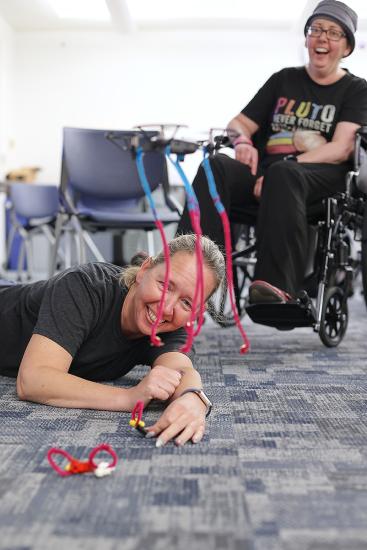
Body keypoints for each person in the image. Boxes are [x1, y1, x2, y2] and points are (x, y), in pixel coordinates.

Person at [176, 0, 367, 302]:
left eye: (333, 33)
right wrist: (242, 143)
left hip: (319, 182)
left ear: (346, 48)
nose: (322, 38)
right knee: (215, 166)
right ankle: (184, 268)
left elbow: (341, 148)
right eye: (316, 29)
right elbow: (238, 123)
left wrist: (289, 162)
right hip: (266, 178)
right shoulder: (283, 80)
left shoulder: (356, 89)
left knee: (283, 172)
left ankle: (275, 287)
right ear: (306, 39)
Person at [0, 234, 225, 447]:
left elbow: (182, 372)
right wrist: (128, 397)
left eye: (187, 303)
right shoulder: (85, 286)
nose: (166, 308)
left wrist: (194, 399)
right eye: (164, 285)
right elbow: (32, 379)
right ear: (144, 270)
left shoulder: (172, 325)